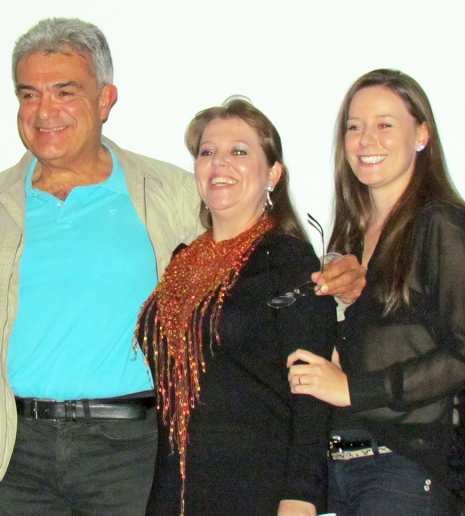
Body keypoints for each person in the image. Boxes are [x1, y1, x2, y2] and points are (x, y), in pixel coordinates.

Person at [0, 17, 365, 516]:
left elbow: (252, 262)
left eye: (65, 91)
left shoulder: (172, 192)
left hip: (134, 457)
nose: (44, 111)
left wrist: (332, 274)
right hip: (14, 457)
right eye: (29, 94)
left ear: (105, 100)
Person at [287, 69, 465, 515]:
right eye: (354, 126)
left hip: (406, 466)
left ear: (421, 135)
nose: (366, 140)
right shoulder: (350, 238)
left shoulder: (441, 224)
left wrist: (354, 389)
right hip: (341, 467)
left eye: (384, 124)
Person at [139, 98, 334, 516]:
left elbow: (312, 391)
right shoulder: (181, 263)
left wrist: (302, 494)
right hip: (174, 488)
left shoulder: (288, 260)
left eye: (239, 151)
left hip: (257, 485)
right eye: (207, 152)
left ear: (273, 174)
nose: (219, 162)